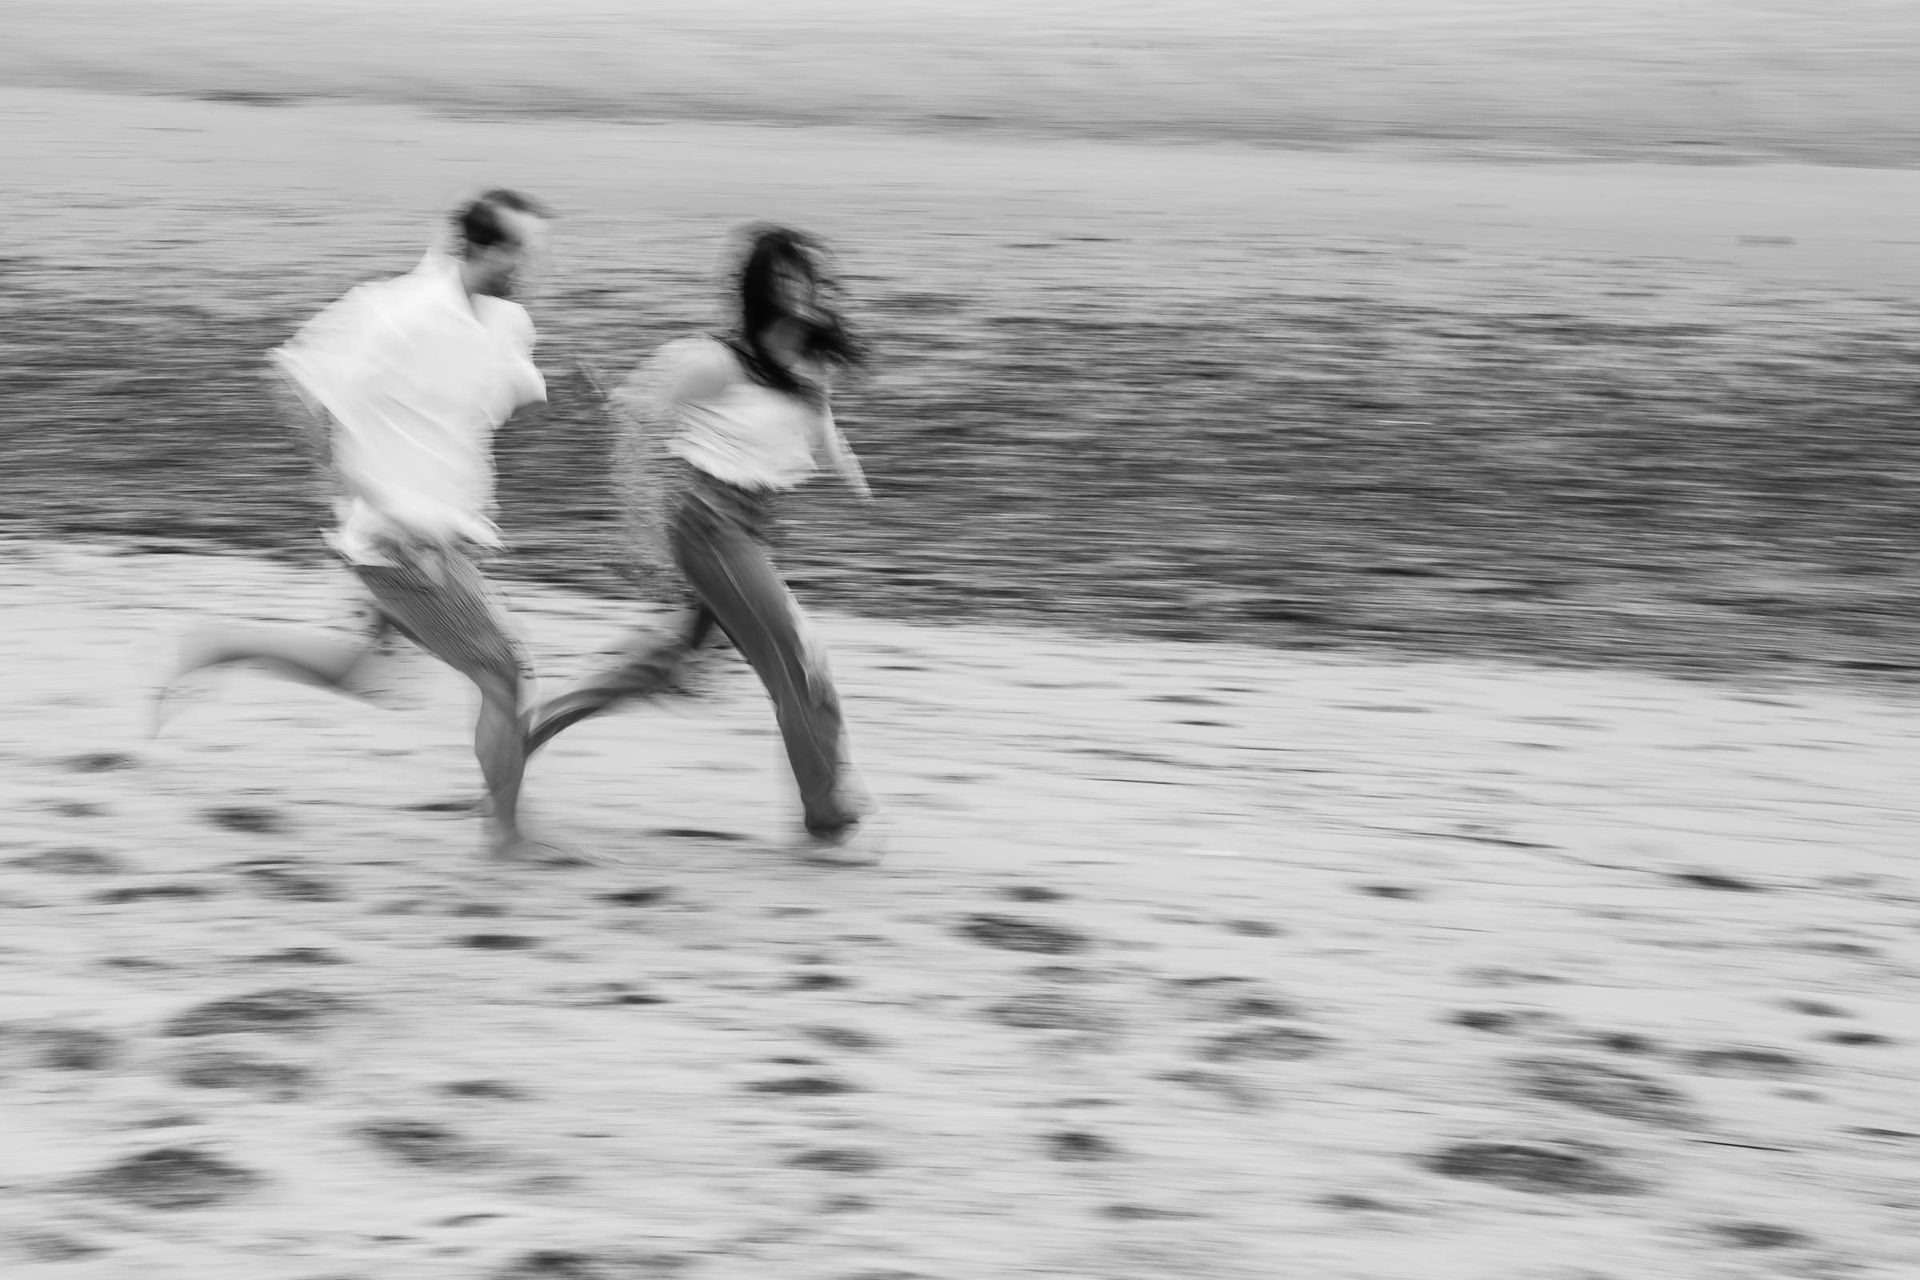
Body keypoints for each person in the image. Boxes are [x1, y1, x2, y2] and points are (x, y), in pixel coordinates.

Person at [155, 189, 577, 866]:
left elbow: (486, 400)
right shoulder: (395, 312)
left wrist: (555, 399)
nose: (535, 263)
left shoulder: (505, 324)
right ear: (482, 249)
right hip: (393, 537)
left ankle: (220, 645)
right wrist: (352, 488)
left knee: (369, 675)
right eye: (523, 249)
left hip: (444, 532)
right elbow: (297, 382)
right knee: (503, 671)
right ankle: (505, 835)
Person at [525, 224, 883, 865]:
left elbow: (822, 426)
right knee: (799, 661)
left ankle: (524, 735)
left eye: (802, 279)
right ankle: (827, 816)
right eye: (780, 283)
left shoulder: (806, 360)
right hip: (711, 528)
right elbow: (636, 417)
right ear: (758, 293)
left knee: (665, 666)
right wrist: (635, 529)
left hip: (754, 530)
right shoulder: (714, 359)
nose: (796, 293)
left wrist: (854, 473)